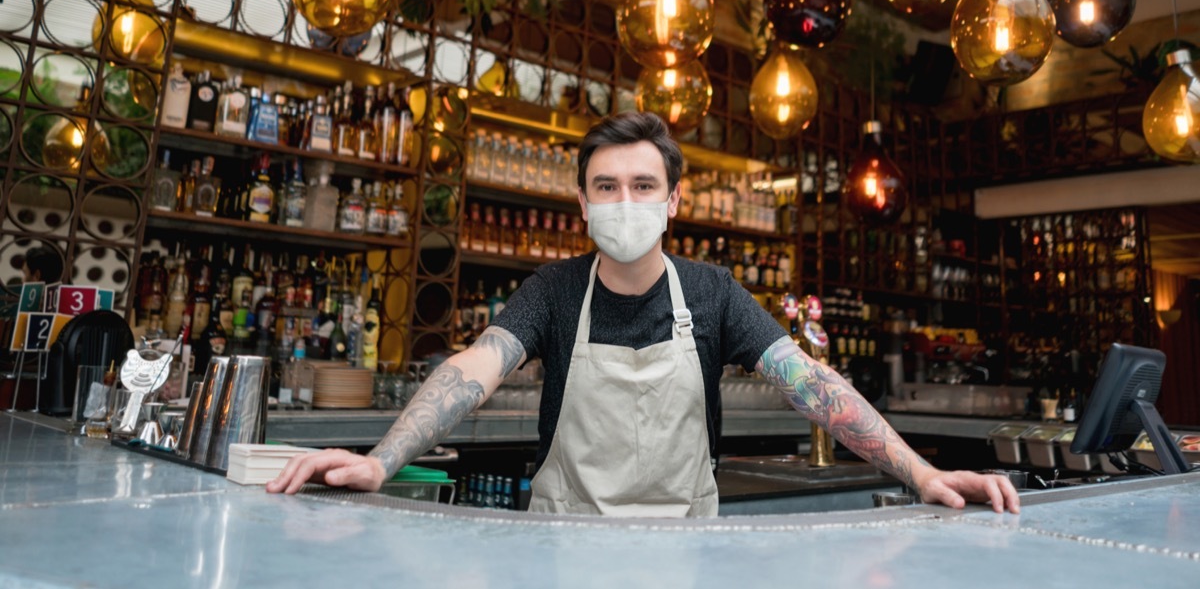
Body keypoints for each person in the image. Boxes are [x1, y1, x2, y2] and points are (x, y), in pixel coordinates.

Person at [268, 112, 1019, 516]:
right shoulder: (555, 290)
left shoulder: (714, 292)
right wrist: (380, 460)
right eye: (606, 187)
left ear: (673, 200)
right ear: (582, 202)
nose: (624, 202)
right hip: (562, 551)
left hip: (684, 558)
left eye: (642, 185)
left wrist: (922, 472)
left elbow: (809, 381)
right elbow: (475, 367)